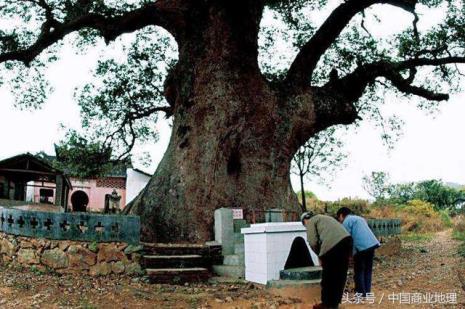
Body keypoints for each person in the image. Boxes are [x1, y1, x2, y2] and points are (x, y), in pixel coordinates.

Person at [301, 212, 353, 309]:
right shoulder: (325, 218)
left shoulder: (311, 221)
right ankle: (335, 303)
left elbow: (312, 241)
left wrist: (320, 255)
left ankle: (326, 304)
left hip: (332, 246)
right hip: (347, 241)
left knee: (328, 276)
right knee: (340, 275)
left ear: (305, 220)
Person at [336, 207, 380, 297]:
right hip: (372, 244)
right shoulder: (360, 218)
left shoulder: (346, 222)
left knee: (359, 270)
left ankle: (360, 293)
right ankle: (367, 292)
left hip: (361, 247)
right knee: (368, 269)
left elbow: (346, 239)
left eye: (338, 218)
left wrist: (348, 255)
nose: (339, 221)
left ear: (341, 215)